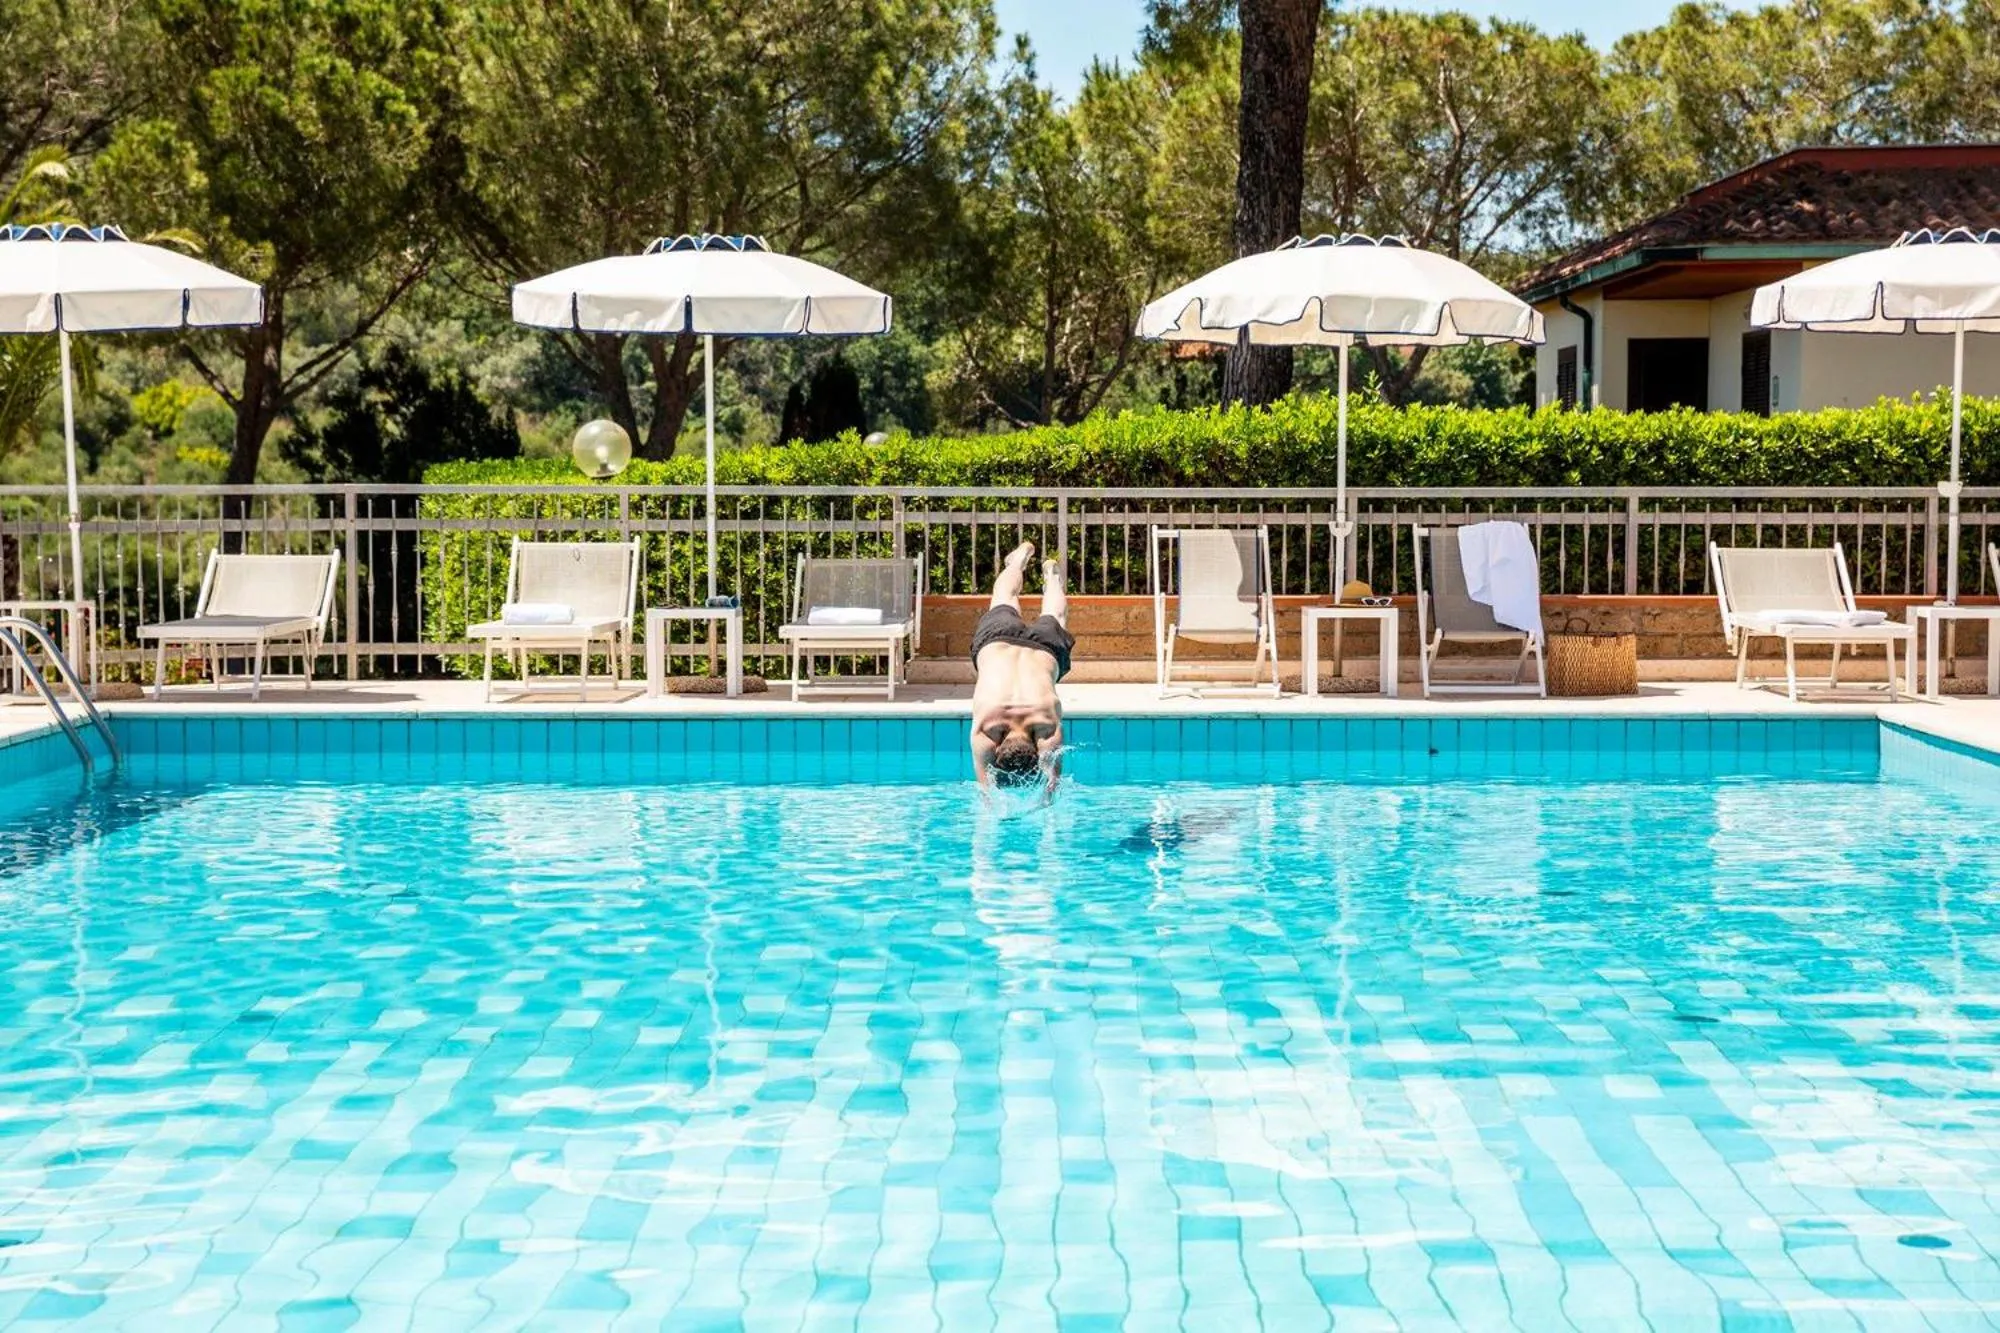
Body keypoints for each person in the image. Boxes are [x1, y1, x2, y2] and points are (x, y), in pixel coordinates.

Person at [971, 541, 1073, 790]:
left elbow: (1052, 783)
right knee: (1004, 598)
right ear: (997, 747)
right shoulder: (987, 726)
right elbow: (984, 786)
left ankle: (1051, 576)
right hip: (997, 642)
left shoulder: (1047, 725)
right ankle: (1017, 561)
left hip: (1044, 650)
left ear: (1037, 749)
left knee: (1055, 615)